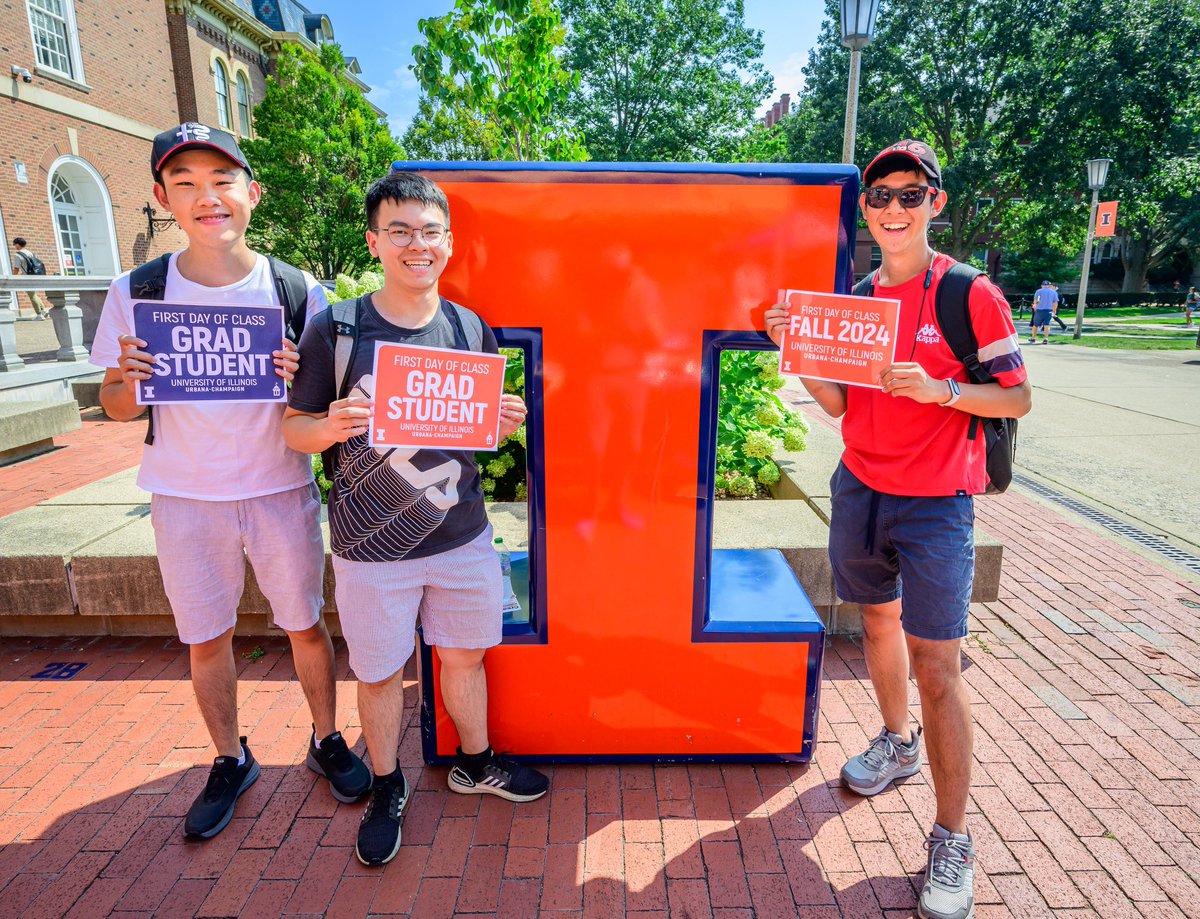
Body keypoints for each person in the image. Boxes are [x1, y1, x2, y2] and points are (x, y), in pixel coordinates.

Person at [765, 139, 1031, 919]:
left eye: (908, 195)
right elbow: (842, 407)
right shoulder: (856, 296)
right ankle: (895, 740)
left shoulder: (969, 294)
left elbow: (1014, 399)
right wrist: (798, 344)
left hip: (938, 503)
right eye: (878, 196)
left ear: (934, 203)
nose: (890, 208)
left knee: (939, 666)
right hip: (862, 488)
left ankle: (953, 836)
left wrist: (943, 389)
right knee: (876, 622)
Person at [90, 122, 370, 841]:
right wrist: (133, 382)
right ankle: (229, 756)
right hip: (184, 497)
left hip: (277, 489)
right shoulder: (138, 289)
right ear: (162, 198)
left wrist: (293, 381)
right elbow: (114, 404)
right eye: (184, 184)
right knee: (205, 636)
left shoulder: (298, 289)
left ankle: (325, 738)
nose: (206, 197)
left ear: (251, 192)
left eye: (221, 181)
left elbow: (321, 405)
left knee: (306, 623)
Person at [283, 171, 549, 868]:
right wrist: (331, 425)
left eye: (429, 231)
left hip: (459, 534)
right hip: (370, 546)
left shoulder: (468, 326)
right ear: (374, 241)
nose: (415, 244)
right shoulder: (336, 328)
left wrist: (504, 420)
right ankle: (386, 784)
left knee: (464, 655)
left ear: (449, 243)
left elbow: (474, 431)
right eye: (398, 230)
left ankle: (475, 761)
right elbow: (294, 430)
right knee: (377, 672)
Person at [11, 237, 50, 319]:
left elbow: (16, 268)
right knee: (33, 294)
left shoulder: (17, 255)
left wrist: (12, 277)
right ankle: (43, 310)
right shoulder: (30, 252)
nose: (14, 246)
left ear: (18, 244)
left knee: (31, 295)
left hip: (27, 278)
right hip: (35, 276)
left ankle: (39, 314)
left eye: (14, 244)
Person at [1030, 279, 1057, 343]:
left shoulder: (1038, 291)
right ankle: (1046, 338)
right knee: (1046, 324)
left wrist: (1035, 304)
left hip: (1039, 310)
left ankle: (1033, 338)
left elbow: (1035, 301)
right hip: (1049, 310)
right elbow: (1055, 302)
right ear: (1049, 285)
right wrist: (1054, 310)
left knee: (1035, 324)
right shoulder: (1053, 292)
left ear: (1042, 285)